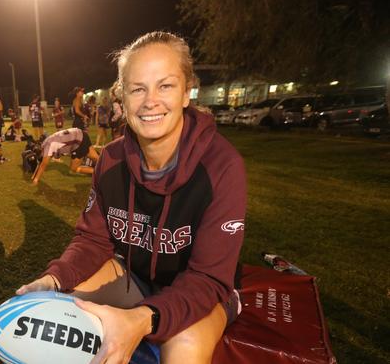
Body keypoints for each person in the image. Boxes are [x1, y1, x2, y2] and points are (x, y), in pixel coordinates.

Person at [17, 31, 246, 364]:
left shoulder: (222, 166)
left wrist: (141, 319)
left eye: (165, 85)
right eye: (138, 89)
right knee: (64, 309)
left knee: (184, 345)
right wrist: (54, 278)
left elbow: (208, 279)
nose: (150, 101)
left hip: (200, 290)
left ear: (186, 93)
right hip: (136, 276)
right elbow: (93, 240)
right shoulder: (110, 160)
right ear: (122, 101)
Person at [30, 127, 100, 185]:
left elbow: (43, 165)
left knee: (74, 168)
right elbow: (41, 161)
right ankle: (107, 168)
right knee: (97, 158)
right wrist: (34, 175)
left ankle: (99, 172)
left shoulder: (48, 147)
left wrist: (36, 180)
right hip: (81, 133)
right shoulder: (45, 142)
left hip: (78, 141)